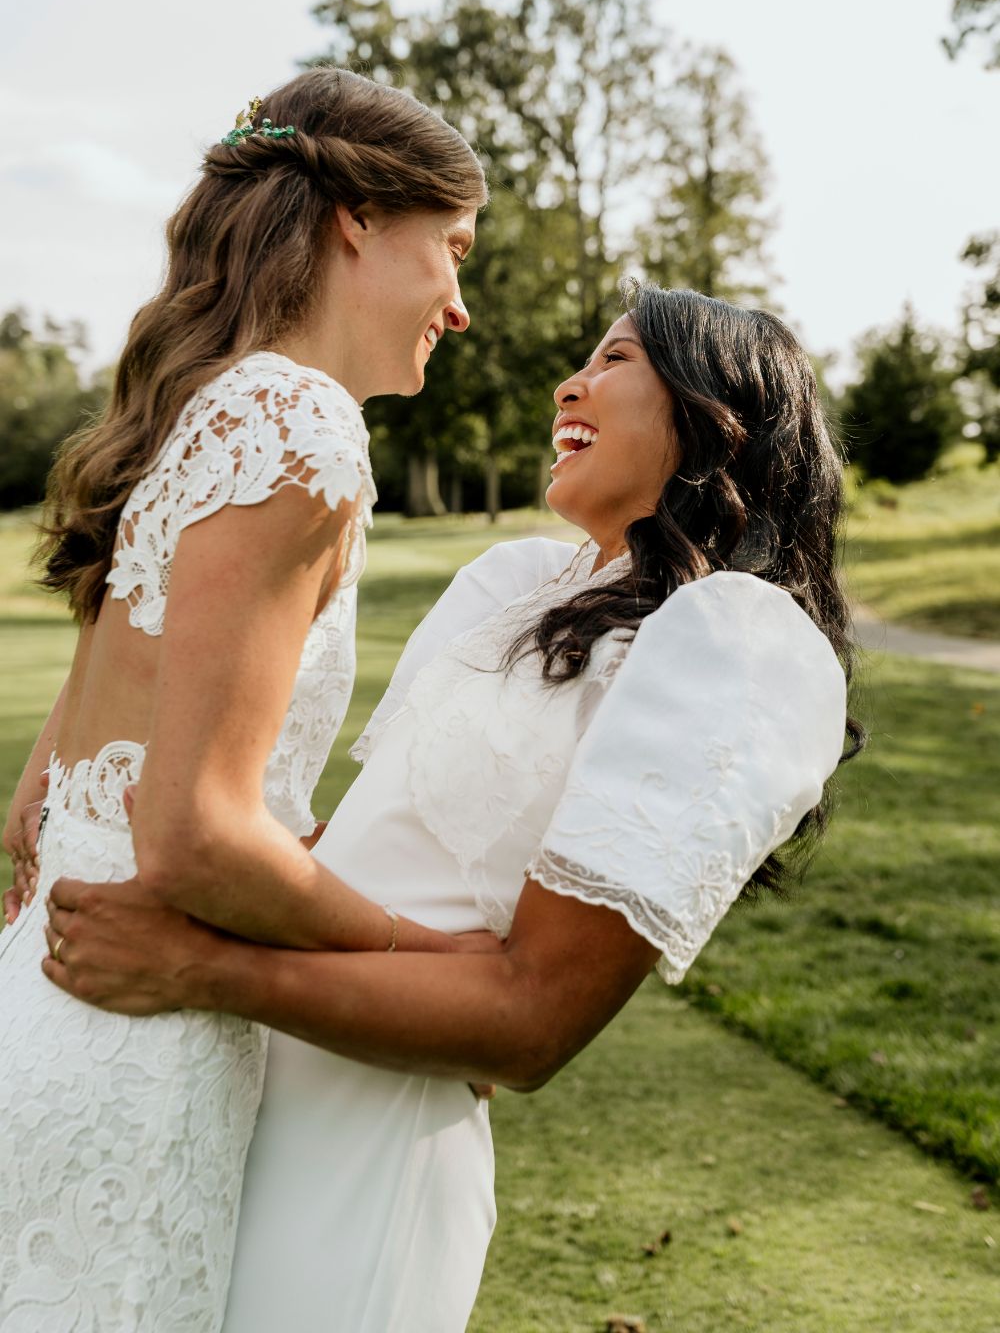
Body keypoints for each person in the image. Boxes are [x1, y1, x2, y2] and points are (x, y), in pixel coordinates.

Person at [37, 286, 862, 1333]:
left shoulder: (734, 641)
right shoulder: (511, 583)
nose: (571, 381)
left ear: (714, 414)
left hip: (374, 1139)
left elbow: (530, 1024)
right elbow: (357, 849)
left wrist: (202, 967)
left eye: (615, 359)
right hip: (238, 1089)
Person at [0, 65, 489, 1331]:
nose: (461, 302)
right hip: (131, 1050)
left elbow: (47, 792)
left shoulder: (205, 410)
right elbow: (195, 831)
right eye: (453, 248)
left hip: (50, 998)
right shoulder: (296, 426)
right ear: (357, 222)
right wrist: (430, 965)